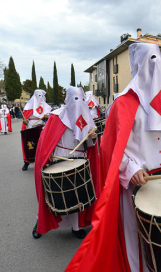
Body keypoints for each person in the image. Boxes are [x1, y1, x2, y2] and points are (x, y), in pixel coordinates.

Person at [66, 43, 161, 272]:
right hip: (140, 185)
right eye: (150, 59)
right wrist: (130, 170)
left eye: (158, 59)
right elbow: (111, 150)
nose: (156, 65)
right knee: (138, 241)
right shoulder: (123, 103)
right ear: (138, 64)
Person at [32, 86, 100, 240]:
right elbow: (46, 141)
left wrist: (92, 138)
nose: (78, 103)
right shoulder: (56, 117)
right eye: (75, 99)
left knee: (76, 194)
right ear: (67, 100)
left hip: (79, 159)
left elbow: (88, 144)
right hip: (59, 157)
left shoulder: (87, 117)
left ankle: (76, 227)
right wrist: (47, 156)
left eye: (81, 99)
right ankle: (40, 222)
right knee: (51, 193)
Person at [21, 90, 52, 171]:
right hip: (31, 127)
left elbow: (51, 118)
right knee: (30, 145)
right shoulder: (29, 106)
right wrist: (25, 121)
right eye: (39, 96)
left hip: (42, 127)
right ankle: (27, 162)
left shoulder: (47, 107)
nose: (40, 98)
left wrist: (47, 116)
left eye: (42, 96)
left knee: (42, 145)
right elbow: (25, 118)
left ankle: (44, 162)